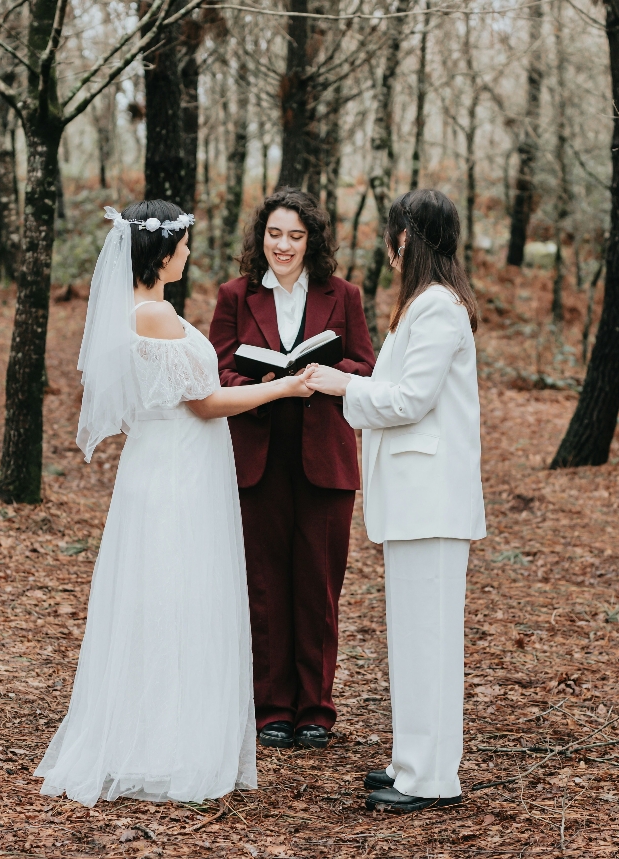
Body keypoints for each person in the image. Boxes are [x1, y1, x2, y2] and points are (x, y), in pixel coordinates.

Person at [35, 201, 316, 806]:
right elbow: (206, 402)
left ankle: (158, 735)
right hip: (176, 474)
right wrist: (286, 385)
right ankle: (166, 746)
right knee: (175, 597)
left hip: (168, 464)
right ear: (162, 254)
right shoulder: (154, 314)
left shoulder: (142, 310)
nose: (189, 253)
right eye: (184, 245)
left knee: (163, 596)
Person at [305, 188, 485, 813]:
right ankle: (412, 763)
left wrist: (340, 385)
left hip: (431, 500)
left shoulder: (438, 308)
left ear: (410, 239)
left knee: (429, 640)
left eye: (395, 234)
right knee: (412, 639)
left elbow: (409, 399)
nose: (389, 247)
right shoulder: (422, 306)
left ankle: (433, 778)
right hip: (415, 500)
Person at [208, 189, 376, 751]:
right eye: (275, 234)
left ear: (313, 242)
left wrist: (325, 371)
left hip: (324, 460)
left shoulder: (344, 295)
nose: (283, 245)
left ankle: (316, 710)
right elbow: (216, 373)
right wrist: (261, 385)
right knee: (264, 586)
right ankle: (271, 708)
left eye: (296, 236)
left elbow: (365, 366)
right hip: (257, 456)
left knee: (318, 587)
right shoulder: (235, 296)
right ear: (262, 237)